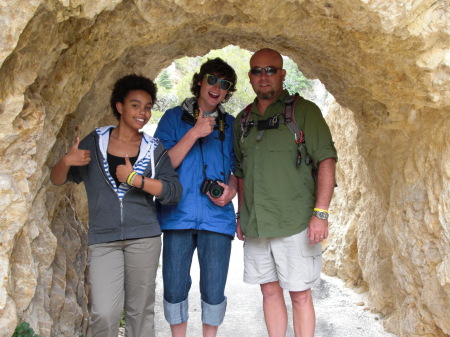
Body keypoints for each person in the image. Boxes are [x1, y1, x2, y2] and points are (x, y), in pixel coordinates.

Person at [50, 74, 182, 337]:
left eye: (147, 107)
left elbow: (172, 191)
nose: (142, 112)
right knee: (104, 312)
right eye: (135, 105)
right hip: (103, 239)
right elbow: (57, 180)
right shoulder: (94, 142)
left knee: (140, 311)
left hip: (144, 238)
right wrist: (66, 160)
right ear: (120, 107)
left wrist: (136, 179)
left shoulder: (153, 148)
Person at [233, 48, 338, 337]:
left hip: (296, 223)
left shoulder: (304, 112)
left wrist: (321, 213)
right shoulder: (241, 121)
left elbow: (326, 160)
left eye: (270, 70)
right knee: (268, 291)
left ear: (282, 74)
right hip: (257, 225)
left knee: (300, 295)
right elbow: (241, 174)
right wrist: (241, 214)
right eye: (257, 70)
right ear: (250, 77)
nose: (263, 76)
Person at [154, 57, 238, 337]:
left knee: (214, 289)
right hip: (177, 216)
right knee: (175, 286)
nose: (217, 87)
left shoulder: (231, 125)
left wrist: (232, 192)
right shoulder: (172, 119)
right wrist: (194, 132)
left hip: (217, 218)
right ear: (200, 81)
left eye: (224, 84)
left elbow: (239, 169)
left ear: (228, 92)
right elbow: (162, 165)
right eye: (212, 80)